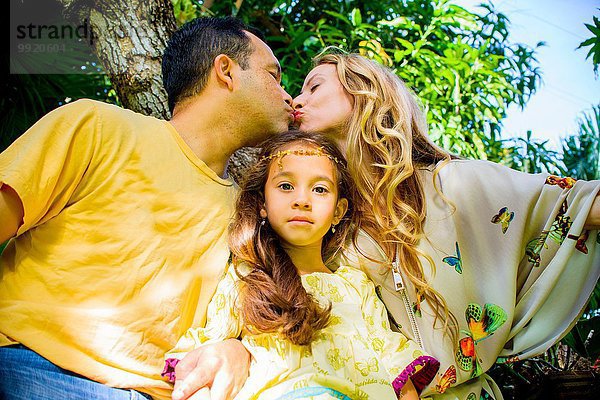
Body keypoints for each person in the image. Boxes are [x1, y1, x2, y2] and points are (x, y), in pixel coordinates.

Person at [0, 17, 292, 400]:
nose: (289, 96)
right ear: (226, 71)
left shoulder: (253, 215)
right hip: (29, 365)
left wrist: (238, 350)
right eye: (274, 76)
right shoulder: (97, 127)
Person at [289, 50, 600, 399]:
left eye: (314, 87)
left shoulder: (452, 185)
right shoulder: (329, 222)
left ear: (365, 90)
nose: (297, 99)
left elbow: (579, 205)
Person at [163, 131, 441, 400]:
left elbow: (394, 364)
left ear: (338, 211)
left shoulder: (356, 285)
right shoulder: (246, 278)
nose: (301, 200)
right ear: (262, 203)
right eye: (286, 186)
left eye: (320, 189)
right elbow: (204, 356)